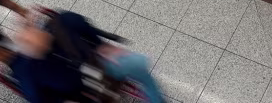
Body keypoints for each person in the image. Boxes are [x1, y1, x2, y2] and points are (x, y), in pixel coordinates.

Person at [10, 12, 165, 103]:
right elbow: (37, 98)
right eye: (33, 50)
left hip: (98, 64)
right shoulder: (27, 70)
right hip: (80, 93)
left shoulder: (63, 22)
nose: (41, 49)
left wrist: (102, 45)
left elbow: (87, 29)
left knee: (137, 64)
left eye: (42, 42)